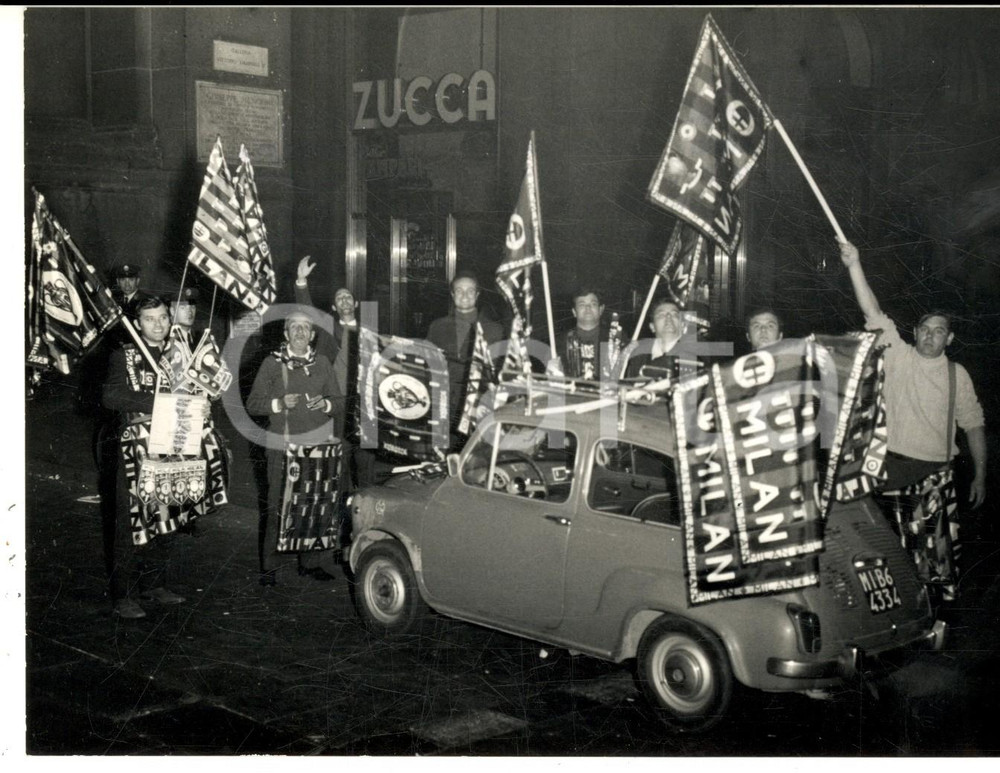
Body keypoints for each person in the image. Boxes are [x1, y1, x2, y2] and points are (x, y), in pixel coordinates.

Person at [840, 240, 986, 601]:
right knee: (883, 560)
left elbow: (974, 425)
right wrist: (855, 264)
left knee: (932, 566)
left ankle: (929, 626)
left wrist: (982, 474)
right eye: (925, 328)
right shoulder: (899, 356)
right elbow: (872, 310)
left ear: (949, 338)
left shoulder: (957, 375)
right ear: (916, 331)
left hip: (933, 477)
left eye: (939, 331)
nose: (930, 335)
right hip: (888, 471)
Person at [102, 296, 215, 619]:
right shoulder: (123, 355)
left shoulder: (180, 353)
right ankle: (122, 594)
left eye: (163, 317)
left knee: (167, 513)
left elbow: (198, 391)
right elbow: (111, 396)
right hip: (136, 446)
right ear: (138, 323)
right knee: (130, 520)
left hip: (174, 444)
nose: (158, 324)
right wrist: (159, 400)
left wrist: (203, 405)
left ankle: (154, 584)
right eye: (150, 319)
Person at [247, 310, 344, 585]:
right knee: (279, 505)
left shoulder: (323, 363)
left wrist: (325, 404)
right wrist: (278, 404)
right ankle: (270, 565)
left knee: (313, 504)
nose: (300, 332)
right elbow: (253, 403)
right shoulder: (271, 363)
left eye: (305, 328)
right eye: (294, 327)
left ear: (312, 335)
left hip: (316, 447)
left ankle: (310, 563)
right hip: (282, 446)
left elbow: (338, 402)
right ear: (286, 334)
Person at [294, 256, 374, 490]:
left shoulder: (370, 332)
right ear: (334, 307)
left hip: (365, 404)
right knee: (340, 458)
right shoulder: (328, 329)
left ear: (355, 304)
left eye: (348, 296)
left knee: (367, 460)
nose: (344, 300)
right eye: (339, 298)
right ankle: (342, 512)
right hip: (338, 401)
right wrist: (301, 280)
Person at [426, 271, 503, 437]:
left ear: (477, 295)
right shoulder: (437, 327)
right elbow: (428, 366)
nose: (465, 295)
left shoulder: (494, 330)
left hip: (480, 406)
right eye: (459, 290)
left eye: (470, 290)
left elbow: (498, 373)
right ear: (453, 295)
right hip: (444, 405)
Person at [623, 299, 699, 380]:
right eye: (661, 315)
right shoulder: (638, 355)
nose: (668, 318)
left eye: (674, 315)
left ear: (682, 324)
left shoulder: (695, 351)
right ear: (652, 327)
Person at [557, 288, 608, 380]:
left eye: (593, 304)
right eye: (582, 305)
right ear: (574, 312)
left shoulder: (616, 338)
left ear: (601, 309)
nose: (588, 308)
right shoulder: (560, 342)